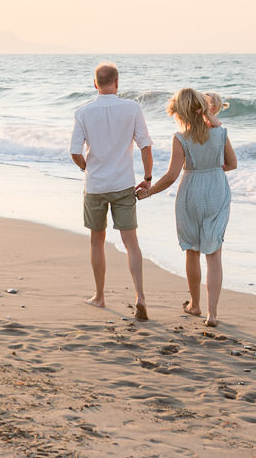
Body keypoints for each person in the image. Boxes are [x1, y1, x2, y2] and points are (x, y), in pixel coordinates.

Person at [137, 89, 236, 326]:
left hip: (190, 191)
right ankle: (212, 314)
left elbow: (171, 176)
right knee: (214, 254)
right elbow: (232, 164)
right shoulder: (220, 133)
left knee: (192, 250)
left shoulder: (180, 138)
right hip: (216, 190)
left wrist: (147, 192)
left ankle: (195, 305)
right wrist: (212, 170)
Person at [70, 62, 154, 320]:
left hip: (95, 186)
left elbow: (75, 152)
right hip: (123, 184)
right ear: (117, 83)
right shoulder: (133, 108)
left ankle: (100, 296)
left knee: (97, 239)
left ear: (95, 84)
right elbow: (146, 147)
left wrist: (88, 168)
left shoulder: (83, 112)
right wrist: (148, 179)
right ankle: (139, 296)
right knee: (131, 243)